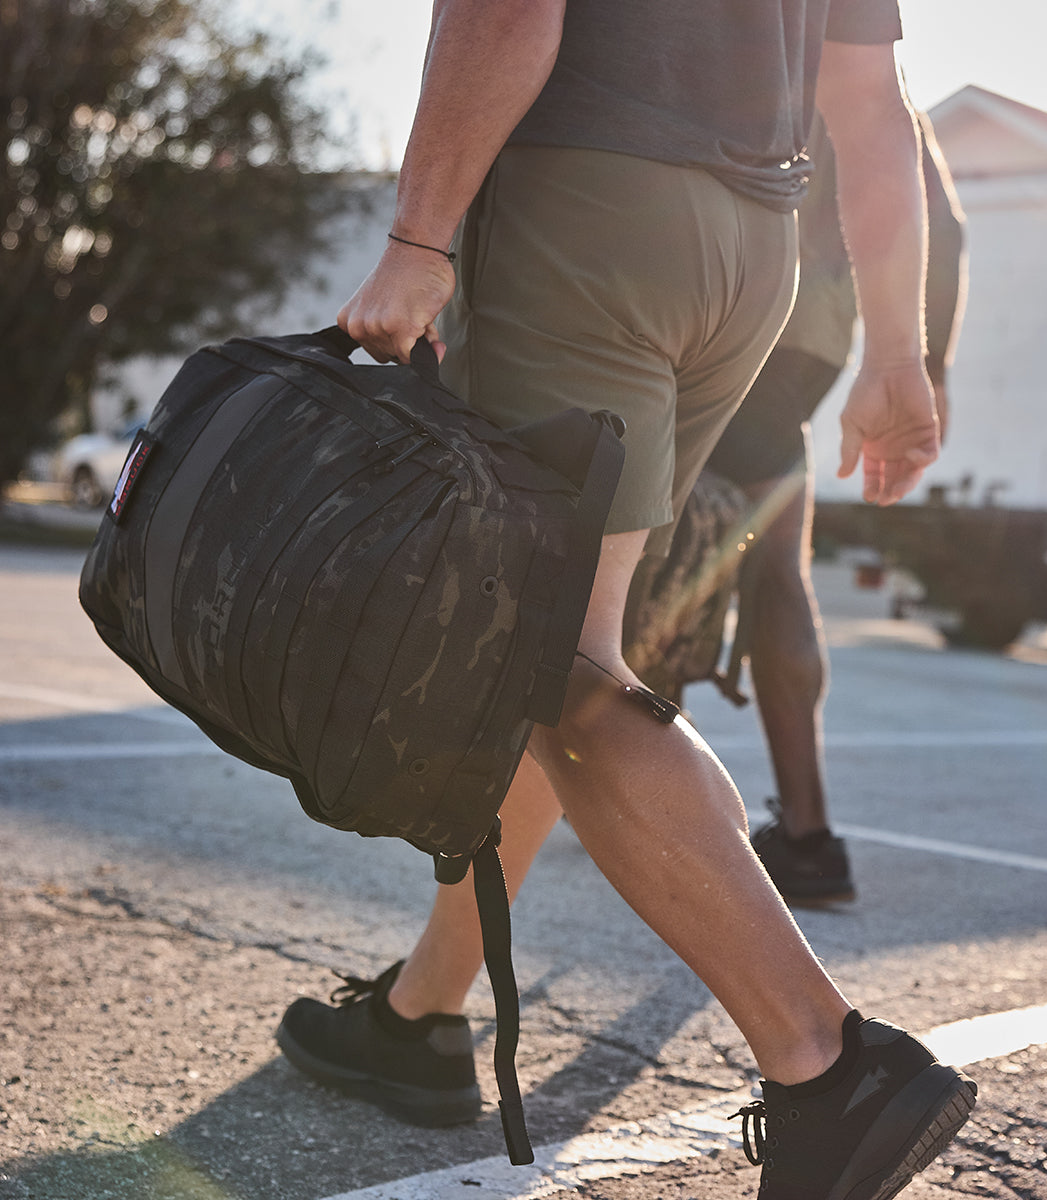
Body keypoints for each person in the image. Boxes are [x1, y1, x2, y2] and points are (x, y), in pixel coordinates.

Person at [275, 3, 978, 1196]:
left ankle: (827, 1066)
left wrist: (418, 239)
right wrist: (898, 353)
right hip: (753, 251)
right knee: (560, 659)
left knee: (564, 670)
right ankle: (422, 1014)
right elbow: (872, 106)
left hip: (590, 213)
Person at [701, 112, 967, 906]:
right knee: (776, 566)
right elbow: (942, 226)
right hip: (809, 342)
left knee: (632, 534)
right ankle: (810, 840)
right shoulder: (864, 63)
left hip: (714, 304)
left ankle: (622, 772)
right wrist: (931, 366)